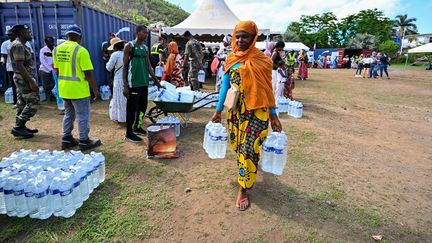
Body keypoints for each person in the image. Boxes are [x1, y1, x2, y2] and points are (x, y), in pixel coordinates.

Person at [211, 20, 282, 211]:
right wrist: (218, 111)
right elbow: (225, 87)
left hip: (257, 112)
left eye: (245, 36)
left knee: (248, 149)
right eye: (238, 36)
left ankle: (243, 188)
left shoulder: (263, 61)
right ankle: (248, 169)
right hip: (236, 113)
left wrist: (273, 115)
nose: (240, 40)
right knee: (240, 147)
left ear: (253, 38)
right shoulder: (231, 59)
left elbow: (268, 89)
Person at [53, 24, 101, 150]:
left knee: (68, 114)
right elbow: (88, 73)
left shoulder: (56, 49)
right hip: (79, 90)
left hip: (64, 89)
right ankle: (84, 141)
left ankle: (66, 138)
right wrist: (95, 91)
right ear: (80, 37)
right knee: (82, 116)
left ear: (67, 35)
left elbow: (57, 71)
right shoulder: (81, 51)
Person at [123, 25, 162, 143]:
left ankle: (137, 127)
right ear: (138, 33)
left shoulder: (145, 48)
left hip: (144, 82)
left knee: (142, 107)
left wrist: (156, 81)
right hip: (133, 83)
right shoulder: (129, 46)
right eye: (145, 33)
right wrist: (125, 86)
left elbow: (148, 65)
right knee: (131, 108)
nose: (146, 35)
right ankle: (129, 133)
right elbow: (125, 67)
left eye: (147, 33)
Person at [9, 24, 39, 139]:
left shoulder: (22, 45)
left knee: (21, 103)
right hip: (23, 77)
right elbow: (19, 65)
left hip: (21, 77)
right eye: (27, 31)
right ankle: (18, 127)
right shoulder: (18, 45)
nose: (30, 33)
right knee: (33, 101)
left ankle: (20, 127)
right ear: (21, 33)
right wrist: (31, 82)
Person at [1, 29, 33, 104]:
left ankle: (27, 101)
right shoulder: (5, 44)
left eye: (11, 35)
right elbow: (3, 55)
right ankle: (17, 102)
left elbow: (31, 54)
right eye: (8, 35)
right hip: (12, 69)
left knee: (26, 85)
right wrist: (3, 61)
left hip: (25, 68)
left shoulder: (25, 43)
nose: (10, 37)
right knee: (15, 86)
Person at [106, 37, 127, 123]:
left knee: (119, 98)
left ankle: (121, 118)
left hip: (119, 79)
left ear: (114, 47)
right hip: (127, 79)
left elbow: (109, 67)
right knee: (126, 99)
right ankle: (128, 116)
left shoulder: (115, 55)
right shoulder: (127, 53)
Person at [39, 36, 55, 101]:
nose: (51, 44)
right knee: (46, 85)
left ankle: (54, 97)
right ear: (46, 42)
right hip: (45, 70)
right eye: (49, 42)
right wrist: (50, 69)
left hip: (54, 70)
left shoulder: (56, 49)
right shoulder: (43, 50)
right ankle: (48, 98)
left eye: (52, 42)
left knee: (54, 85)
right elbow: (42, 61)